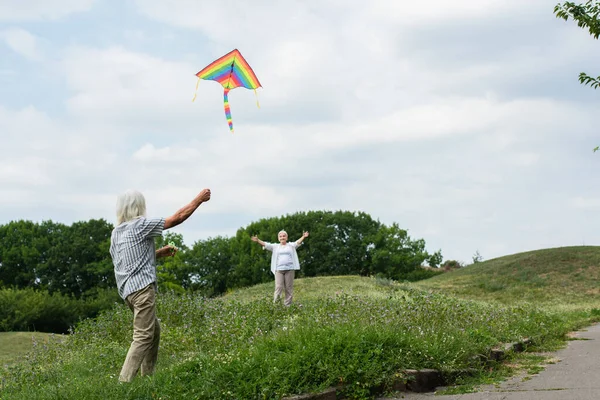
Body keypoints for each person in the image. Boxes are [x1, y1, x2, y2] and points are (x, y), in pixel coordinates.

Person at [109, 188, 211, 382]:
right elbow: (176, 218)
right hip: (142, 290)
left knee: (153, 332)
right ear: (139, 206)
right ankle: (123, 382)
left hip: (128, 292)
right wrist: (199, 200)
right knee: (143, 336)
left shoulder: (116, 233)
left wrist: (156, 253)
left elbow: (123, 260)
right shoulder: (141, 225)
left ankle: (148, 378)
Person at [251, 230, 309, 306]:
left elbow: (297, 242)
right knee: (278, 287)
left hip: (289, 269)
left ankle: (288, 305)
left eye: (284, 236)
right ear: (278, 238)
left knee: (288, 287)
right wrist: (258, 240)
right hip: (278, 270)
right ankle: (277, 305)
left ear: (287, 237)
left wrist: (304, 236)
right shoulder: (275, 247)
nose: (282, 237)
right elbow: (266, 244)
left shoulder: (291, 246)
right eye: (280, 236)